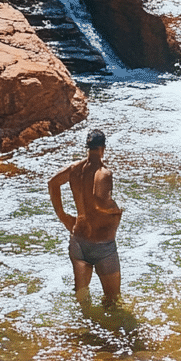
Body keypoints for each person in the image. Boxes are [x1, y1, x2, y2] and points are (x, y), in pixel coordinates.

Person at [48, 129, 124, 307]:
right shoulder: (103, 172)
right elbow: (99, 200)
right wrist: (116, 210)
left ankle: (83, 331)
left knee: (82, 298)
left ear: (87, 148)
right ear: (103, 148)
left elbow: (53, 183)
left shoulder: (75, 168)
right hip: (102, 246)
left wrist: (62, 215)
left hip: (78, 241)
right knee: (113, 301)